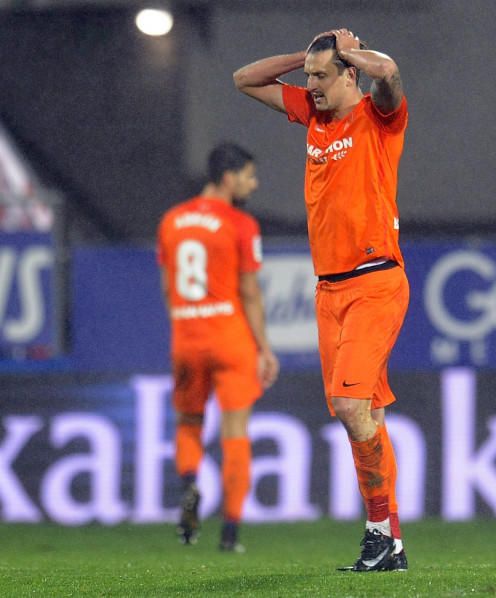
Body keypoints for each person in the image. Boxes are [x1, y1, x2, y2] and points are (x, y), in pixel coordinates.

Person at [233, 28, 409, 572]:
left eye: (321, 77)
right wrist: (308, 57)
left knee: (355, 410)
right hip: (329, 290)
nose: (310, 86)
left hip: (375, 280)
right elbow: (244, 79)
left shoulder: (379, 118)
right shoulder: (313, 116)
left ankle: (378, 532)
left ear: (348, 73)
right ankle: (391, 544)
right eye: (307, 77)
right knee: (365, 415)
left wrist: (349, 54)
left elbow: (390, 75)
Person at [157, 142, 279, 552]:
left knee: (189, 422)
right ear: (228, 178)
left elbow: (167, 288)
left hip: (186, 337)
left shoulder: (171, 220)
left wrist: (185, 324)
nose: (254, 183)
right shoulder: (241, 224)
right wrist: (264, 347)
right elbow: (250, 293)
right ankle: (230, 532)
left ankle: (190, 484)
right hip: (229, 338)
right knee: (235, 435)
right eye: (248, 175)